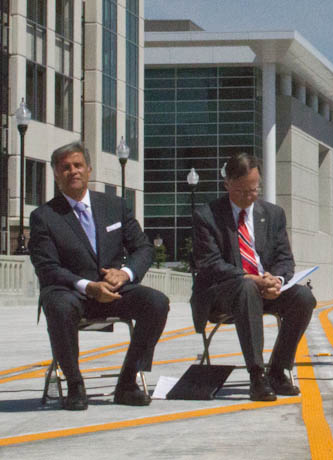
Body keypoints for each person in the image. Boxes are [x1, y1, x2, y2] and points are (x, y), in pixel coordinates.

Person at [28, 141, 169, 410]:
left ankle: (127, 382)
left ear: (89, 169)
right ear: (56, 174)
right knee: (57, 305)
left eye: (78, 165)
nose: (73, 171)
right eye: (65, 168)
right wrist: (87, 286)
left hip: (115, 289)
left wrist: (125, 274)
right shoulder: (43, 216)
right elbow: (47, 268)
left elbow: (143, 248)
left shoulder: (115, 206)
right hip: (71, 291)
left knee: (157, 302)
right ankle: (74, 385)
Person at [192, 153, 316, 401]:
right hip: (223, 293)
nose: (248, 197)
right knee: (246, 288)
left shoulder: (273, 214)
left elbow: (284, 258)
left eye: (253, 190)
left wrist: (277, 281)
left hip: (264, 286)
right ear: (227, 184)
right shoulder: (207, 216)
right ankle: (256, 375)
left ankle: (278, 370)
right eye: (241, 192)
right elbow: (210, 264)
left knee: (303, 297)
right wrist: (253, 280)